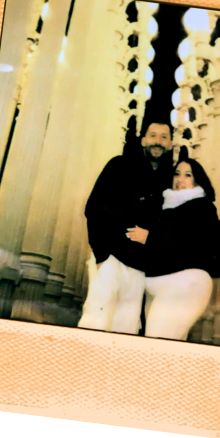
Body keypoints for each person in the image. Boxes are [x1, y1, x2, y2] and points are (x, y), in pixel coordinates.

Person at [78, 111, 175, 334]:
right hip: (111, 258)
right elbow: (93, 208)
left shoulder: (170, 182)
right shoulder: (119, 166)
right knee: (95, 322)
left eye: (163, 137)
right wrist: (102, 255)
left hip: (141, 269)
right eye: (152, 135)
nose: (157, 142)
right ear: (143, 140)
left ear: (170, 144)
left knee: (126, 328)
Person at [137, 156, 220, 340]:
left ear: (197, 180)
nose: (179, 180)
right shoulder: (167, 207)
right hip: (162, 283)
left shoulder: (202, 207)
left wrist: (150, 238)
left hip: (185, 283)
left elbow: (189, 244)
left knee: (157, 344)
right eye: (177, 174)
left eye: (187, 175)